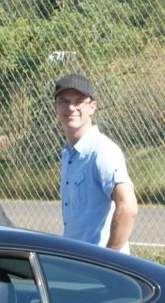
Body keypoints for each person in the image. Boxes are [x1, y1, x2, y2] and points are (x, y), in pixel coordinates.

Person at [54, 72, 137, 252]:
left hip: (99, 266)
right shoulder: (68, 154)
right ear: (56, 107)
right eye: (64, 101)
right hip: (77, 260)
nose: (71, 107)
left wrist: (108, 259)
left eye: (79, 101)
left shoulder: (102, 151)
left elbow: (128, 207)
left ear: (92, 107)